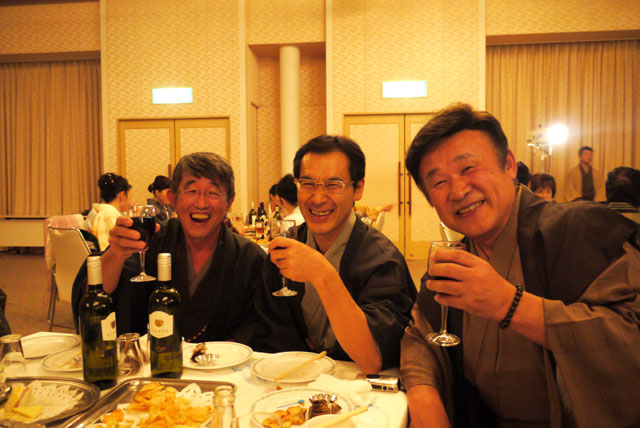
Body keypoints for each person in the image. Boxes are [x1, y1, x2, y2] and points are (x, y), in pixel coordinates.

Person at [401, 103, 640, 428]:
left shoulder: (581, 231)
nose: (457, 190)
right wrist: (424, 397)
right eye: (439, 182)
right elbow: (420, 335)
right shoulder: (456, 259)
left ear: (510, 165)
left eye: (468, 168)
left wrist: (510, 304)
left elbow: (631, 336)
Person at [251, 135, 417, 373]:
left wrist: (322, 274)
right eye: (308, 183)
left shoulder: (382, 260)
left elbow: (372, 358)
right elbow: (272, 334)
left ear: (358, 189)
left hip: (356, 385)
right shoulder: (286, 249)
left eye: (333, 185)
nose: (318, 198)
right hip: (291, 380)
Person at [95, 152, 266, 343]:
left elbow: (261, 326)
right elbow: (96, 295)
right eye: (191, 191)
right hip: (153, 359)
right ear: (173, 199)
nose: (201, 203)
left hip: (226, 361)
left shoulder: (249, 257)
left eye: (213, 193)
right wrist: (115, 255)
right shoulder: (150, 242)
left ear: (229, 202)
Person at [92, 173, 134, 252]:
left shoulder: (104, 213)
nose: (131, 203)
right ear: (122, 195)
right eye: (130, 197)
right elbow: (107, 249)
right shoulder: (108, 215)